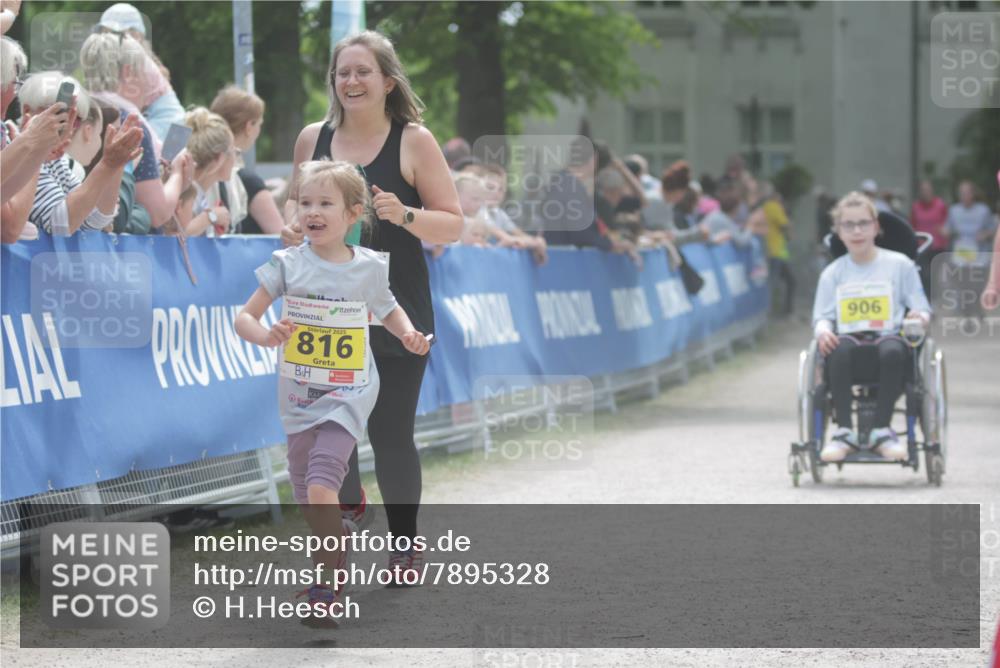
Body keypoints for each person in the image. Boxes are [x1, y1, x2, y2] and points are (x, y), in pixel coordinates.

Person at [280, 30, 463, 583]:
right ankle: (352, 500)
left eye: (363, 72)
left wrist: (404, 214)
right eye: (343, 72)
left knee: (389, 432)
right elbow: (296, 215)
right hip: (325, 315)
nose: (352, 81)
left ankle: (404, 547)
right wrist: (295, 231)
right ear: (333, 81)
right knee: (328, 426)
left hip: (394, 307)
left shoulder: (413, 140)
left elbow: (452, 224)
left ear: (387, 81)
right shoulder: (313, 139)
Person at [236, 160, 431, 623]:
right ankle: (338, 543)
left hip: (349, 391)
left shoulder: (367, 267)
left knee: (324, 484)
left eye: (326, 203)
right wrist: (265, 335)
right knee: (307, 494)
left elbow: (388, 308)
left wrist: (407, 333)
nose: (312, 212)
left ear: (353, 214)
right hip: (298, 397)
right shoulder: (287, 264)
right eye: (305, 202)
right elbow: (244, 316)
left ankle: (325, 587)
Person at [812, 192, 931, 463]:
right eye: (848, 225)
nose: (857, 231)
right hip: (848, 340)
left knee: (893, 350)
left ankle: (881, 431)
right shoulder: (833, 273)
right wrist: (823, 331)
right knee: (837, 350)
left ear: (876, 227)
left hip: (890, 338)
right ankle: (844, 432)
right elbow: (822, 316)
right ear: (838, 232)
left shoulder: (900, 265)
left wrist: (918, 317)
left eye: (864, 223)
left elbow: (921, 307)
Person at [80, 32, 188, 229]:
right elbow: (157, 213)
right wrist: (178, 174)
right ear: (128, 72)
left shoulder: (78, 113)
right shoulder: (132, 126)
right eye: (145, 73)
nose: (148, 84)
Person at [20, 72, 142, 236]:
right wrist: (108, 165)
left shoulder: (57, 161)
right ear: (28, 111)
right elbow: (61, 224)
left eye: (76, 118)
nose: (68, 124)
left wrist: (116, 165)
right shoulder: (17, 150)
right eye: (57, 113)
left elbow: (97, 220)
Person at [97, 2, 185, 141]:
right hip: (176, 132)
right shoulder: (144, 62)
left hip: (167, 133)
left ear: (135, 36)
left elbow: (121, 107)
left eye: (113, 34)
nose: (105, 40)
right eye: (104, 33)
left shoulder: (137, 65)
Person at [210, 85, 285, 234]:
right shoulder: (249, 182)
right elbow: (281, 235)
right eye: (259, 124)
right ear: (249, 126)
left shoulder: (204, 171)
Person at [183, 107, 239, 236]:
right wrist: (210, 217)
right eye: (233, 152)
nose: (235, 159)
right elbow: (175, 234)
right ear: (219, 158)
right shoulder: (185, 189)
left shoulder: (197, 190)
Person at [760, 182, 795, 315]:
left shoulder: (763, 207)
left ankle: (774, 312)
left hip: (771, 251)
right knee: (777, 283)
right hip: (776, 252)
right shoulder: (774, 207)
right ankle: (773, 313)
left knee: (775, 283)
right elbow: (786, 226)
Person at [910, 179, 949, 296]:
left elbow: (947, 223)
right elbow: (912, 225)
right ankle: (927, 302)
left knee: (937, 276)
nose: (925, 192)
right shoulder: (916, 207)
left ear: (932, 190)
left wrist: (945, 231)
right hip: (922, 247)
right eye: (923, 190)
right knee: (925, 275)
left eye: (927, 189)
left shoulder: (940, 205)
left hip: (938, 247)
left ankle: (936, 301)